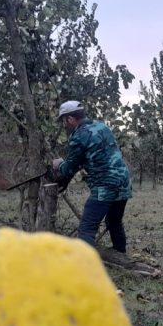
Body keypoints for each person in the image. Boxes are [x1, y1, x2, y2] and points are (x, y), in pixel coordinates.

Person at [52, 100, 132, 253]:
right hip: (124, 181)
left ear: (70, 119)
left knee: (86, 229)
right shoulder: (101, 126)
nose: (63, 125)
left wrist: (59, 164)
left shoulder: (78, 136)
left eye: (63, 120)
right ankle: (120, 254)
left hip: (105, 185)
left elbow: (68, 169)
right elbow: (95, 156)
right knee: (114, 221)